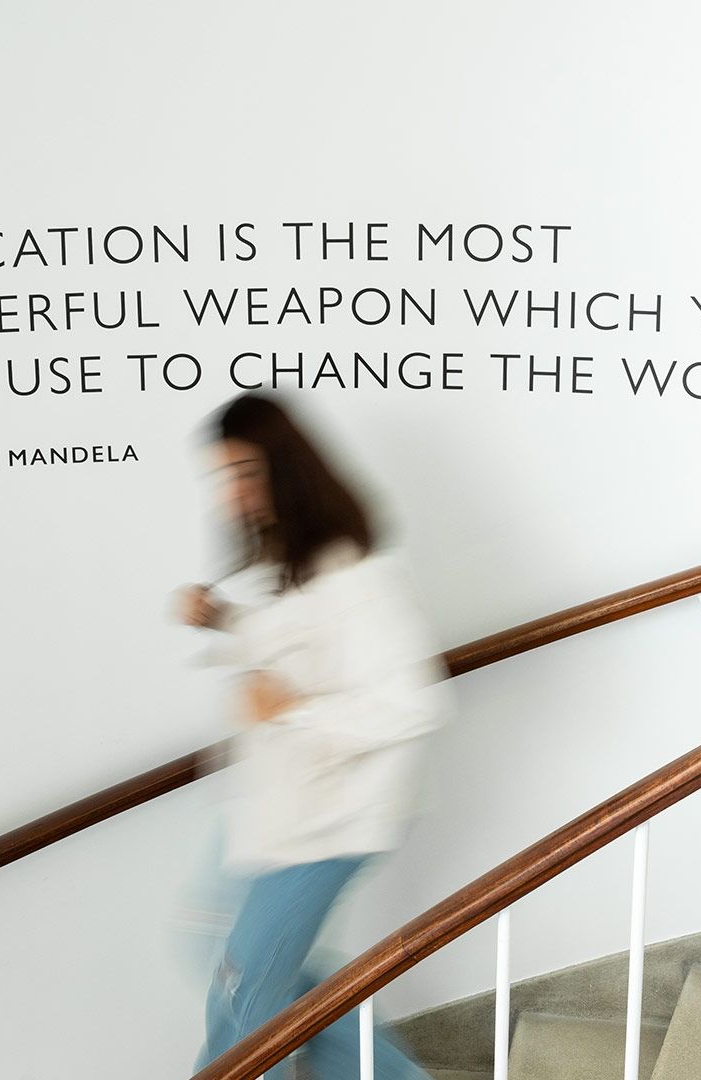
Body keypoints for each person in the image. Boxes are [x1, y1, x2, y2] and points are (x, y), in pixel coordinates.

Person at [175, 392, 449, 1080]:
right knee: (225, 960)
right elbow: (303, 649)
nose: (231, 496)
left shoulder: (355, 572)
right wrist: (227, 621)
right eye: (224, 477)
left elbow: (412, 703)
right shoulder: (291, 561)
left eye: (244, 474)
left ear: (284, 469)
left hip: (332, 824)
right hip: (280, 810)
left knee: (244, 1001)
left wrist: (293, 711)